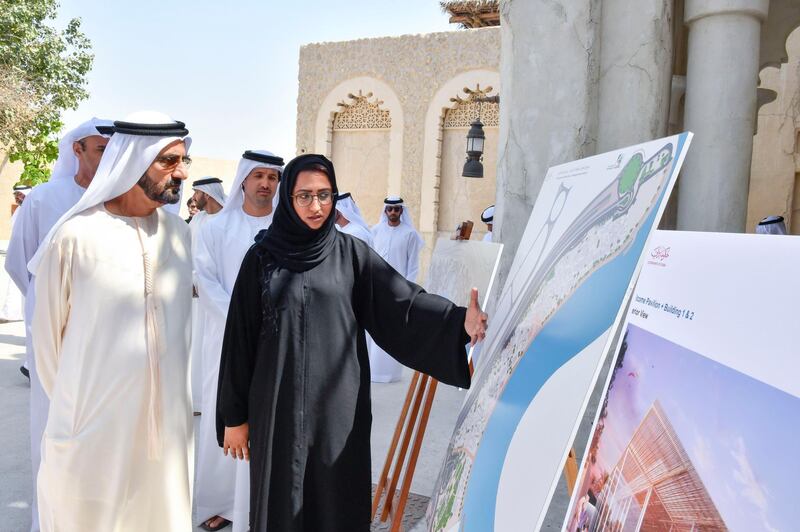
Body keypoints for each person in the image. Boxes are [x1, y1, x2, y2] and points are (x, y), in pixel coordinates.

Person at [216, 154, 487, 531]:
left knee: (336, 496)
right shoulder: (262, 258)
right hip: (275, 405)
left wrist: (459, 322)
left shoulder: (351, 255)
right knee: (281, 497)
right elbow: (239, 339)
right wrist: (234, 417)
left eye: (325, 196)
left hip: (338, 408)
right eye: (305, 196)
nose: (316, 206)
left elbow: (402, 305)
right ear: (288, 200)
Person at [30, 112, 194, 531]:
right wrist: (81, 407)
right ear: (132, 161)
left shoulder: (179, 234)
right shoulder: (75, 237)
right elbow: (47, 344)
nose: (182, 172)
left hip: (167, 435)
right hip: (94, 431)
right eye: (168, 161)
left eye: (184, 160)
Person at [4, 117, 112, 532]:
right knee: (52, 429)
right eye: (99, 148)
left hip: (104, 336)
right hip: (54, 335)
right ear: (77, 150)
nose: (106, 157)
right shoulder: (45, 198)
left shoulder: (117, 199)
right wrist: (47, 307)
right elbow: (20, 263)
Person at [194, 151, 282, 532]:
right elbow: (204, 278)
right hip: (227, 341)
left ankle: (264, 503)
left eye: (272, 177)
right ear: (243, 180)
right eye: (258, 175)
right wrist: (243, 319)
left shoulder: (287, 228)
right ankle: (224, 503)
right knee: (227, 416)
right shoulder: (215, 227)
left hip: (277, 342)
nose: (265, 183)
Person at [369, 195, 425, 382]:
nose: (393, 212)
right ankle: (373, 372)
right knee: (374, 329)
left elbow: (413, 265)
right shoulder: (375, 231)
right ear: (385, 211)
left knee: (393, 330)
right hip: (377, 288)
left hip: (399, 290)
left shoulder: (409, 234)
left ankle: (390, 374)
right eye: (390, 209)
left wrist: (407, 291)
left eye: (397, 209)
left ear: (402, 211)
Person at [187, 176, 227, 414]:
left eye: (196, 193)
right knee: (196, 346)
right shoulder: (197, 220)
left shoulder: (226, 220)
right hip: (193, 296)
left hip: (215, 295)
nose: (193, 198)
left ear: (207, 194)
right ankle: (197, 399)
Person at [0, 185, 32, 324]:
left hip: (30, 252)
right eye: (16, 195)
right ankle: (11, 312)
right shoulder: (20, 209)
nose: (18, 198)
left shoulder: (32, 208)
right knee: (14, 281)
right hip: (18, 251)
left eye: (21, 195)